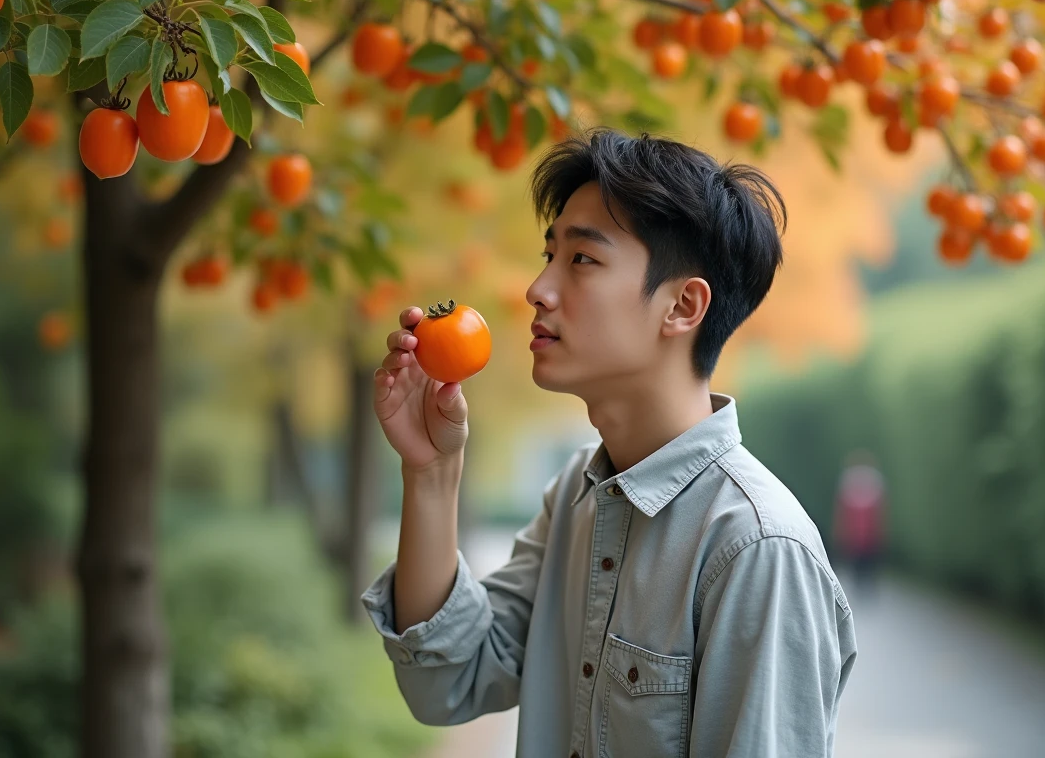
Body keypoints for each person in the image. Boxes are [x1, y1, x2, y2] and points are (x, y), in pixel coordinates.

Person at [360, 129, 858, 758]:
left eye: (582, 260)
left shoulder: (756, 549)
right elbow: (447, 685)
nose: (537, 290)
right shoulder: (576, 496)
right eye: (548, 256)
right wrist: (430, 472)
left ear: (683, 306)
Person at [834, 451, 886, 600]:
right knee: (860, 564)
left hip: (864, 535)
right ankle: (863, 589)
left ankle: (866, 589)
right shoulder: (871, 488)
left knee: (866, 564)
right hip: (860, 535)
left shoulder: (851, 488)